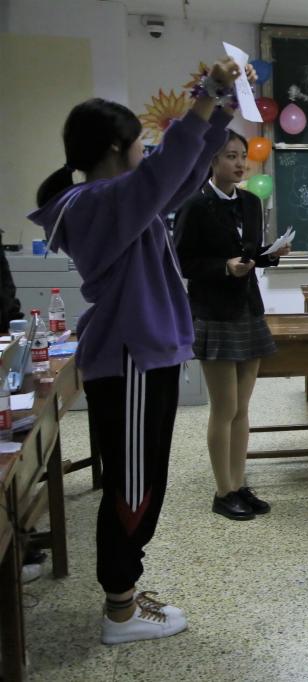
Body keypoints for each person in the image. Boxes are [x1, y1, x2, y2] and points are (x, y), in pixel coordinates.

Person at [29, 57, 255, 644]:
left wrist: (222, 109)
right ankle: (120, 609)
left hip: (146, 354)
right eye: (138, 143)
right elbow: (164, 171)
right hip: (130, 356)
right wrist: (207, 94)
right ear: (115, 147)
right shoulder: (96, 203)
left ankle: (125, 592)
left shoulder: (119, 199)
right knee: (132, 486)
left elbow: (180, 175)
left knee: (145, 479)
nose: (145, 152)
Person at [175, 131, 290, 520]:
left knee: (242, 407)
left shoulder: (251, 202)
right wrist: (223, 267)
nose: (240, 163)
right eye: (230, 156)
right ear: (212, 161)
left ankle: (239, 485)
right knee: (224, 407)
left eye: (243, 156)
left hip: (248, 309)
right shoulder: (195, 204)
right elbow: (183, 262)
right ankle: (222, 491)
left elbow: (250, 254)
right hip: (215, 312)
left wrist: (271, 255)